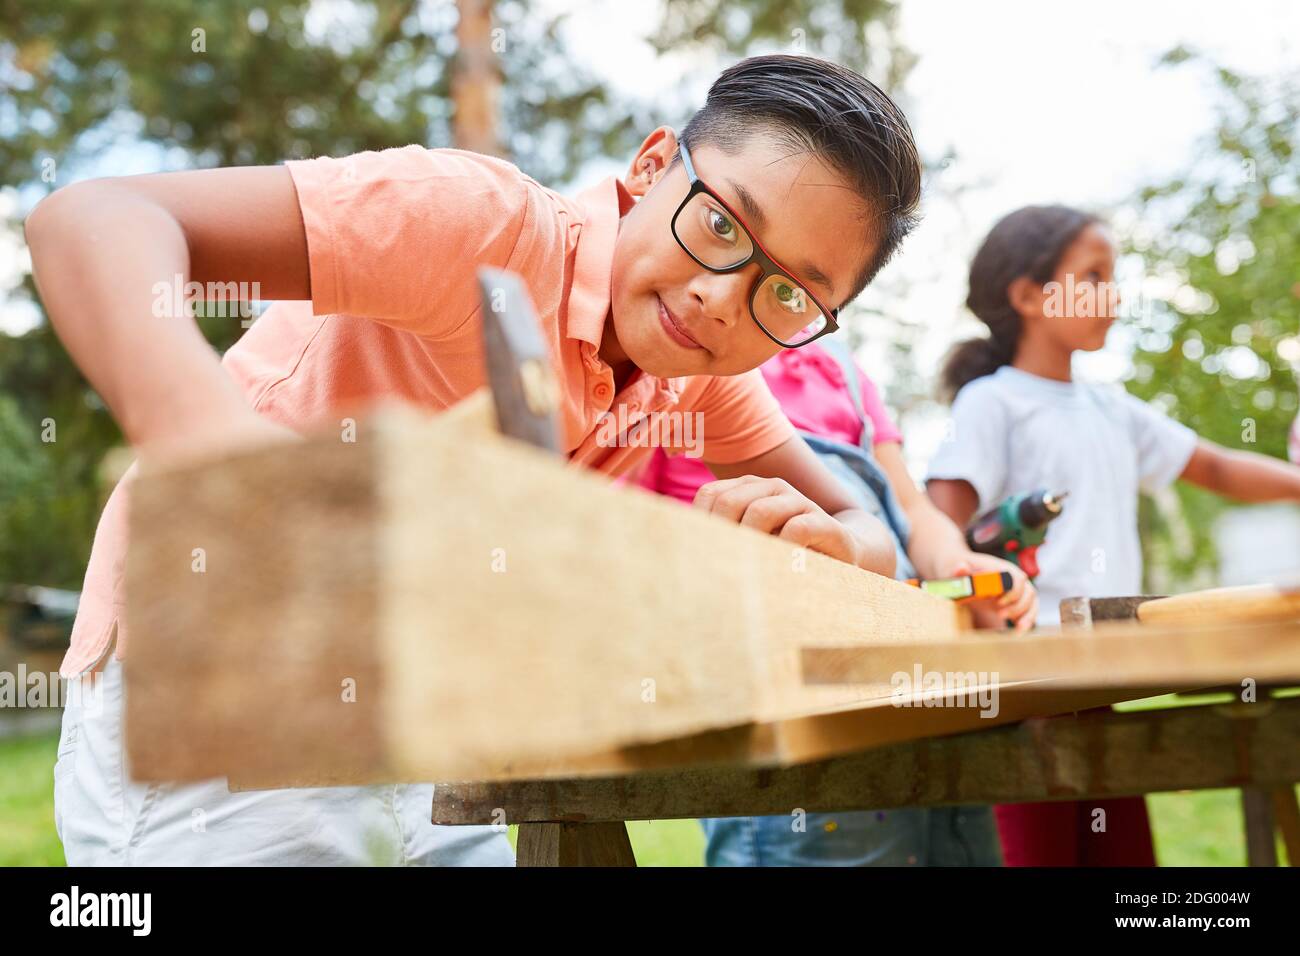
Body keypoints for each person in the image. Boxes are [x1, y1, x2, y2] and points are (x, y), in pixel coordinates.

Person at [27, 54, 927, 865]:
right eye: (723, 226)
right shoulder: (481, 223)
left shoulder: (688, 367)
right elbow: (99, 217)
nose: (722, 297)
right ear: (652, 169)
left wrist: (847, 545)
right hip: (221, 693)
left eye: (787, 293)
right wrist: (218, 453)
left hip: (412, 724)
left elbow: (855, 506)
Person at [925, 204, 1300, 866]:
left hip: (1103, 675)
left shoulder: (1111, 407)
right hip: (1025, 687)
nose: (1113, 295)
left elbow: (1214, 464)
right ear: (1028, 295)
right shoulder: (994, 401)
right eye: (1094, 275)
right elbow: (941, 520)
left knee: (1126, 863)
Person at [640, 334, 1035, 866]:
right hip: (782, 698)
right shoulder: (677, 359)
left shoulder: (843, 371)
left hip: (914, 683)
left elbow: (909, 510)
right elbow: (638, 533)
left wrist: (956, 564)